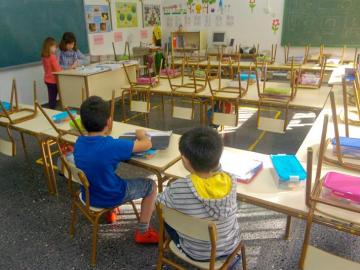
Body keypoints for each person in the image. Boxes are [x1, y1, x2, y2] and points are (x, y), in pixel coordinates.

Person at [74, 96, 159, 244]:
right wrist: (141, 134)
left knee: (108, 173)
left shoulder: (79, 142)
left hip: (88, 195)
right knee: (151, 186)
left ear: (82, 123)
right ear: (109, 122)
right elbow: (146, 145)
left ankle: (111, 211)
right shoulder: (111, 145)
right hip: (110, 195)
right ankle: (143, 232)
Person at [157, 127, 240, 261]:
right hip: (230, 246)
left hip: (196, 253)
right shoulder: (231, 180)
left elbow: (159, 203)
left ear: (184, 160)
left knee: (167, 213)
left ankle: (182, 243)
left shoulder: (179, 188)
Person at [41, 37, 62, 109]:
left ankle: (51, 110)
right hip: (54, 81)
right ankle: (54, 110)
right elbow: (57, 69)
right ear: (49, 47)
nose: (55, 49)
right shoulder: (52, 57)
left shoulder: (44, 56)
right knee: (58, 97)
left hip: (47, 79)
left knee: (51, 97)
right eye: (54, 47)